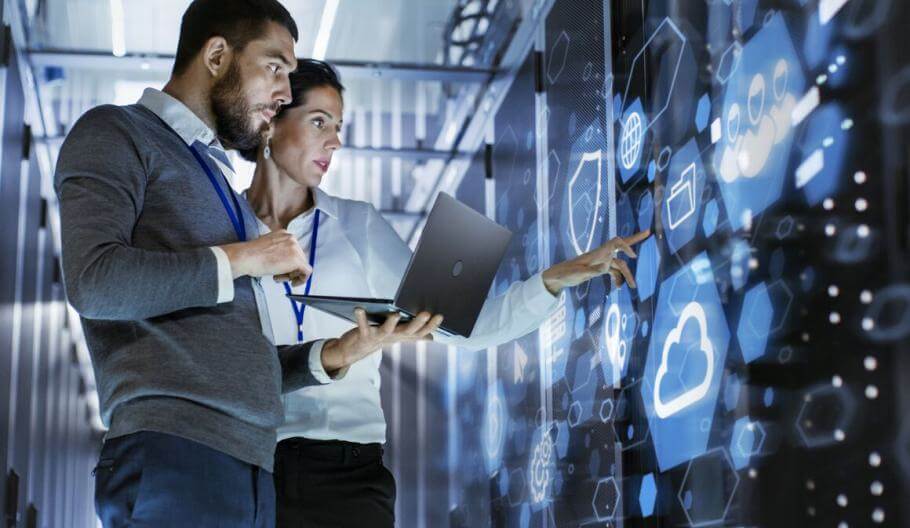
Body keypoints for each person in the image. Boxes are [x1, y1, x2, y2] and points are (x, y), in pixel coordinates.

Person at [53, 2, 441, 526]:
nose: (284, 91)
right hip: (176, 452)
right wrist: (246, 256)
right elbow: (94, 282)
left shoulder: (222, 191)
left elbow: (241, 362)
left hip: (251, 467)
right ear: (217, 55)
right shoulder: (117, 133)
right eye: (275, 67)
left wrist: (333, 354)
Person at [242, 59, 650, 527]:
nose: (335, 141)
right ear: (271, 120)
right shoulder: (224, 231)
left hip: (348, 474)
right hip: (250, 466)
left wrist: (554, 279)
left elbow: (464, 328)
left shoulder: (359, 225)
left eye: (338, 126)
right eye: (319, 122)